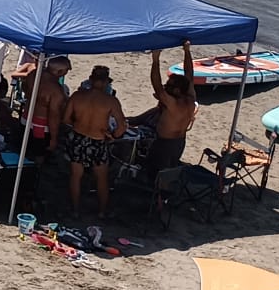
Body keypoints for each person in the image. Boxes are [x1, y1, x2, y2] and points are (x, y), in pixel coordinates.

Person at [63, 66, 126, 214]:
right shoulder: (111, 101)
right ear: (106, 82)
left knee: (75, 176)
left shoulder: (78, 96)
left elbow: (65, 119)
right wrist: (113, 136)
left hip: (78, 137)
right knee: (101, 179)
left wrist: (78, 124)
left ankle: (75, 210)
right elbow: (122, 126)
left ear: (90, 80)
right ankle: (102, 212)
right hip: (98, 140)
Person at [130, 43, 199, 176]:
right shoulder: (190, 99)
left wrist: (155, 59)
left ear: (178, 90)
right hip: (180, 143)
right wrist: (187, 51)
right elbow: (189, 75)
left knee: (154, 174)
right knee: (168, 174)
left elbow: (157, 86)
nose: (166, 87)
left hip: (164, 144)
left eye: (169, 86)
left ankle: (157, 195)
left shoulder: (173, 103)